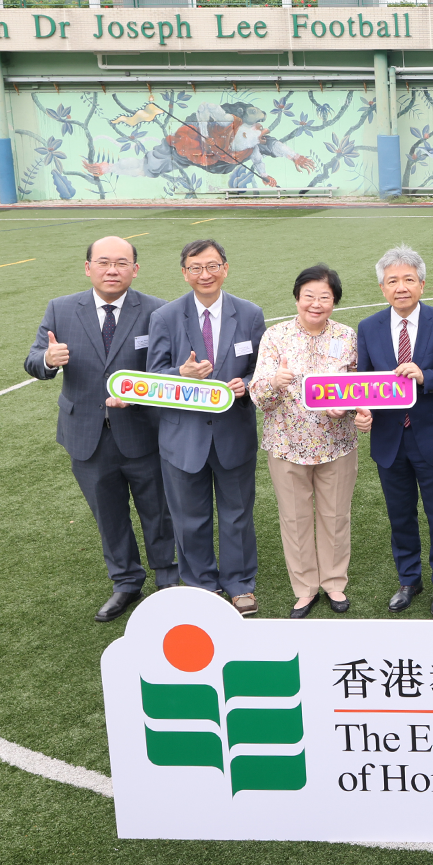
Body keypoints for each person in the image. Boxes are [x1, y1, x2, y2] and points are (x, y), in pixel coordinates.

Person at [22, 236, 175, 622]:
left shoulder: (158, 310)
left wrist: (141, 394)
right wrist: (48, 359)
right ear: (88, 267)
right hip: (86, 435)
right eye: (103, 262)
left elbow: (167, 372)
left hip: (143, 431)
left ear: (135, 270)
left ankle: (168, 578)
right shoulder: (60, 309)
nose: (112, 270)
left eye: (122, 263)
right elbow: (33, 360)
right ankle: (126, 581)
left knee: (158, 510)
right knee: (108, 514)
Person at [147, 239, 266, 614]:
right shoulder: (165, 317)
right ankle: (202, 586)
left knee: (237, 515)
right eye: (196, 268)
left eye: (212, 266)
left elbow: (260, 369)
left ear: (225, 269)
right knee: (189, 519)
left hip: (234, 433)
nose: (205, 274)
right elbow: (153, 377)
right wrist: (180, 374)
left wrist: (246, 384)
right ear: (184, 273)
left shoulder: (249, 314)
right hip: (183, 437)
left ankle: (240, 584)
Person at [354, 246, 433, 617]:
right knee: (400, 515)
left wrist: (425, 377)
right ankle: (408, 579)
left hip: (432, 438)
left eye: (408, 279)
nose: (400, 287)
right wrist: (362, 411)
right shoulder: (369, 327)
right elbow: (363, 382)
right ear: (382, 288)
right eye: (392, 281)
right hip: (389, 439)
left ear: (422, 284)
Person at [250, 264, 359, 619]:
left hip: (337, 443)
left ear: (334, 301)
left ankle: (334, 582)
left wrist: (346, 407)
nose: (315, 303)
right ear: (297, 297)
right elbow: (258, 396)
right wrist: (275, 382)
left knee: (335, 515)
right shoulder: (275, 336)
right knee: (294, 519)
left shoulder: (347, 336)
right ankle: (305, 589)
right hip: (286, 444)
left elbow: (358, 388)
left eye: (324, 297)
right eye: (308, 296)